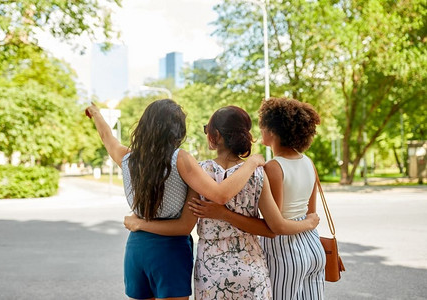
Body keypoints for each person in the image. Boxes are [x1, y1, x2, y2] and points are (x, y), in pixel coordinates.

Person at [123, 105, 320, 300]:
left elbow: (182, 218)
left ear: (215, 135)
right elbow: (271, 229)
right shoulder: (258, 173)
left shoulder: (200, 172)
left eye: (206, 129)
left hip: (212, 270)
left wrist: (140, 219)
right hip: (251, 267)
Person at [85, 99, 265, 300]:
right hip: (169, 251)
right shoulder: (180, 158)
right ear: (177, 130)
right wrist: (252, 163)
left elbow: (106, 137)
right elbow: (219, 196)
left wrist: (96, 114)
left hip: (136, 248)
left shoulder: (127, 158)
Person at [191, 98, 326, 300]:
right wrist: (309, 223)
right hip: (309, 248)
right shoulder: (302, 164)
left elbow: (276, 225)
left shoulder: (270, 168)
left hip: (281, 252)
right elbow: (309, 213)